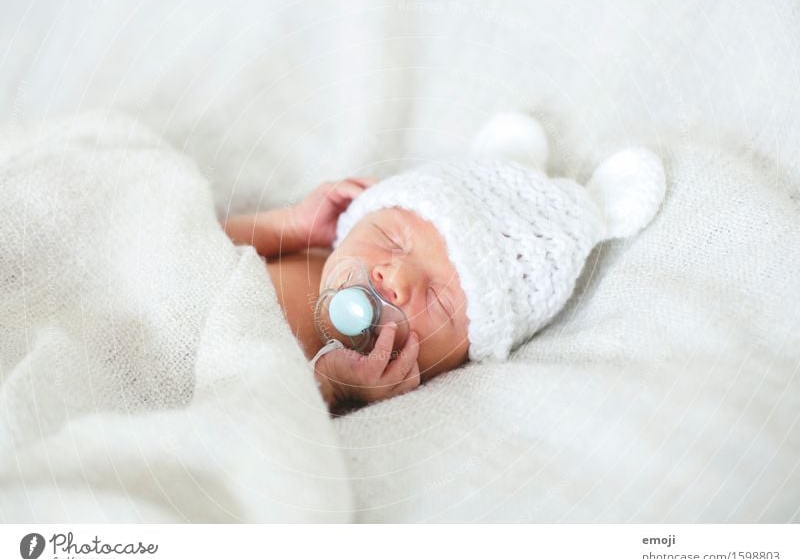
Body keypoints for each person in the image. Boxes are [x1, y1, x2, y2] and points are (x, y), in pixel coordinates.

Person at [220, 113, 666, 412]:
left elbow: (254, 408)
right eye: (391, 237)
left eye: (439, 301)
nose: (395, 278)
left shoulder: (362, 380)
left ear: (459, 362)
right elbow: (200, 238)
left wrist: (336, 388)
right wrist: (284, 227)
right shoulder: (309, 251)